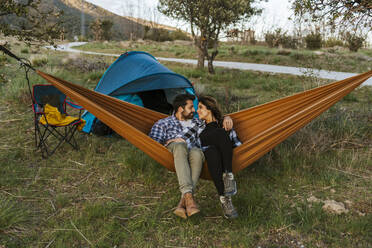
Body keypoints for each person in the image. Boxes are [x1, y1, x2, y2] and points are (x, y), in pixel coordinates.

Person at [149, 94, 233, 219]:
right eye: (190, 107)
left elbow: (213, 119)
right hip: (174, 150)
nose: (194, 110)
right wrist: (169, 142)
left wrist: (227, 117)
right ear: (180, 109)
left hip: (194, 151)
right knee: (179, 145)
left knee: (197, 152)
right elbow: (152, 143)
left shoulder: (197, 121)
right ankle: (188, 196)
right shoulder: (163, 123)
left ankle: (184, 201)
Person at [197, 95, 242, 219]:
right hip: (203, 153)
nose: (197, 110)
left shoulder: (225, 124)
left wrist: (227, 118)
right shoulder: (198, 125)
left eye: (200, 107)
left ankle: (225, 198)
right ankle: (228, 176)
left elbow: (238, 145)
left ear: (210, 109)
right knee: (215, 142)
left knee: (214, 150)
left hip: (218, 156)